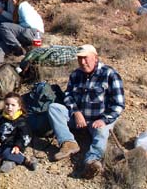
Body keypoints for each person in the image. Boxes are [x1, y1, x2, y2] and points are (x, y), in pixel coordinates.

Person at [48, 44, 125, 179]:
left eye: (86, 58)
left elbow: (118, 104)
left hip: (99, 119)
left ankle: (91, 161)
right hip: (79, 118)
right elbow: (68, 96)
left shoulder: (110, 74)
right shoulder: (76, 75)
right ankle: (68, 143)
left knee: (102, 131)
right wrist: (76, 112)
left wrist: (104, 120)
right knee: (54, 108)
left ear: (95, 58)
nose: (82, 62)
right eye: (80, 58)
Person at [0, 0, 44, 69]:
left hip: (34, 33)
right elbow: (13, 19)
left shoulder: (23, 6)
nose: (13, 0)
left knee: (4, 26)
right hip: (27, 33)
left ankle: (18, 48)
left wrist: (15, 27)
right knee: (3, 43)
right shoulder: (16, 8)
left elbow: (29, 23)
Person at [0, 92, 37, 173]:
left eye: (13, 105)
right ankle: (8, 162)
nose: (9, 107)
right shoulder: (2, 120)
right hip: (2, 145)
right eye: (7, 104)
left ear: (19, 107)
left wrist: (17, 146)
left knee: (7, 153)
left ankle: (26, 161)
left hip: (13, 147)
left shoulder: (21, 121)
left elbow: (24, 136)